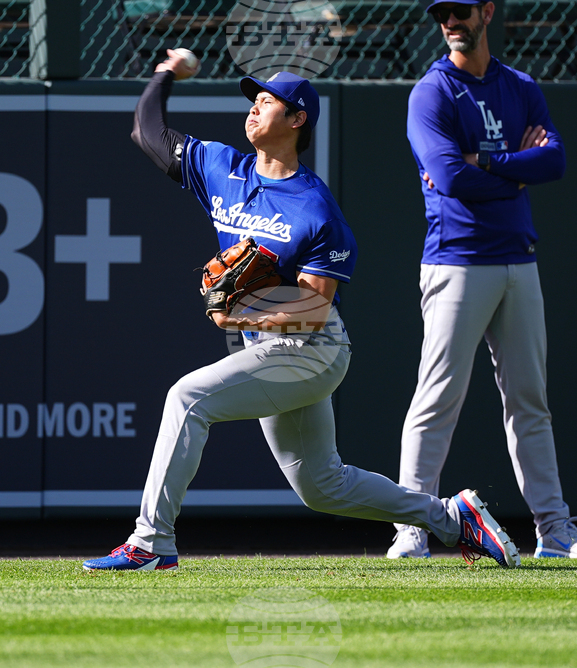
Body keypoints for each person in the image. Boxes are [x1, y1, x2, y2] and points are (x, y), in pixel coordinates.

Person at [83, 50, 521, 571]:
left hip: (312, 349)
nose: (254, 109)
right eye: (253, 100)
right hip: (267, 346)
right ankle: (454, 517)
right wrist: (165, 73)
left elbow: (312, 308)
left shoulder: (315, 209)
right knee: (323, 486)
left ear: (297, 119)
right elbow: (148, 133)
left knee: (187, 398)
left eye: (268, 102)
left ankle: (149, 542)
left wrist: (237, 315)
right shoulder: (223, 168)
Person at [388, 1, 577, 560]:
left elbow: (554, 162)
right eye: (444, 14)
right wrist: (514, 168)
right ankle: (412, 526)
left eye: (462, 11)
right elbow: (447, 175)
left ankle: (555, 531)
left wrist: (489, 163)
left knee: (530, 400)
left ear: (487, 11)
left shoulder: (520, 85)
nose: (451, 22)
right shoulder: (431, 91)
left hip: (518, 259)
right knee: (437, 397)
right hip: (457, 261)